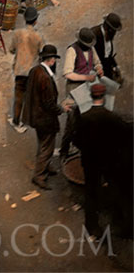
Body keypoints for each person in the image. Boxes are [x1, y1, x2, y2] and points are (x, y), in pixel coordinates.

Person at [74, 84, 133, 243]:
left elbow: (76, 139)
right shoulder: (112, 118)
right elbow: (125, 135)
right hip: (109, 160)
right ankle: (121, 222)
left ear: (91, 97)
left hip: (90, 161)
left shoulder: (84, 118)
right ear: (104, 97)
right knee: (116, 189)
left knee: (91, 192)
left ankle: (92, 226)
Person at [23, 43, 62, 189]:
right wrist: (61, 108)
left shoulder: (35, 70)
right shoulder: (46, 77)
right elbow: (49, 104)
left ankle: (46, 166)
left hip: (36, 116)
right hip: (45, 118)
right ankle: (39, 176)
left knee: (43, 144)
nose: (55, 62)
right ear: (51, 60)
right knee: (47, 147)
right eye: (54, 59)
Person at [6, 7, 41, 132]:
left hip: (20, 70)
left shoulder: (17, 34)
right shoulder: (38, 37)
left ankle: (16, 121)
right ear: (36, 20)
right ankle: (31, 119)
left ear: (25, 19)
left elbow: (11, 49)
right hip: (33, 71)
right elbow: (41, 53)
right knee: (31, 95)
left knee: (19, 97)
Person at [63, 28, 107, 112]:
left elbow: (97, 62)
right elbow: (67, 74)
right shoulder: (72, 50)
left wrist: (99, 68)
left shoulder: (91, 48)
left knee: (88, 113)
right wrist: (87, 77)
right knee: (75, 114)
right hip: (74, 88)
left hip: (87, 87)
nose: (88, 47)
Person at [92, 13, 123, 88]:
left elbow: (108, 54)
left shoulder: (109, 36)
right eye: (113, 31)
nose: (115, 34)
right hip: (95, 73)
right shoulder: (94, 34)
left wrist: (116, 66)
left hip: (106, 70)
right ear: (107, 28)